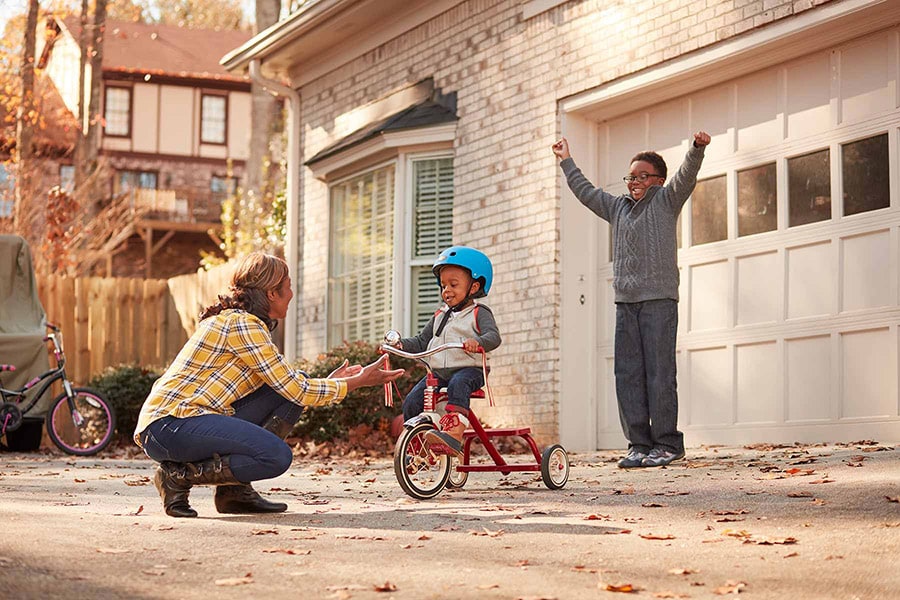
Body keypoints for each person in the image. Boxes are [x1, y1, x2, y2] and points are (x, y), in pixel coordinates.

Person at [134, 252, 404, 518]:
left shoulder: (242, 323)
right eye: (288, 287)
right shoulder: (243, 326)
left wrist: (335, 382)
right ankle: (176, 477)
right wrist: (355, 383)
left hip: (186, 421)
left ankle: (234, 493)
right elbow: (297, 389)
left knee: (288, 396)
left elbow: (290, 387)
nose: (291, 294)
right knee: (275, 457)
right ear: (272, 293)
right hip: (171, 424)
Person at [552, 131, 711, 468]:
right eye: (631, 176)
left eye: (643, 176)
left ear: (659, 180)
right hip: (626, 303)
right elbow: (585, 191)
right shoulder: (617, 208)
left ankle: (668, 443)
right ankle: (638, 444)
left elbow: (687, 175)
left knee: (659, 374)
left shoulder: (667, 200)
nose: (635, 181)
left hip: (659, 302)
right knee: (627, 375)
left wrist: (697, 149)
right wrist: (566, 161)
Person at [392, 246, 501, 457]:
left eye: (453, 284)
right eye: (443, 285)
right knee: (413, 400)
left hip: (469, 371)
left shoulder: (479, 312)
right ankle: (414, 446)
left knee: (458, 384)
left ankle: (454, 433)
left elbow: (494, 337)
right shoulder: (440, 315)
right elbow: (422, 341)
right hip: (439, 373)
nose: (446, 291)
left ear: (474, 286)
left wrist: (477, 342)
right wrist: (399, 345)